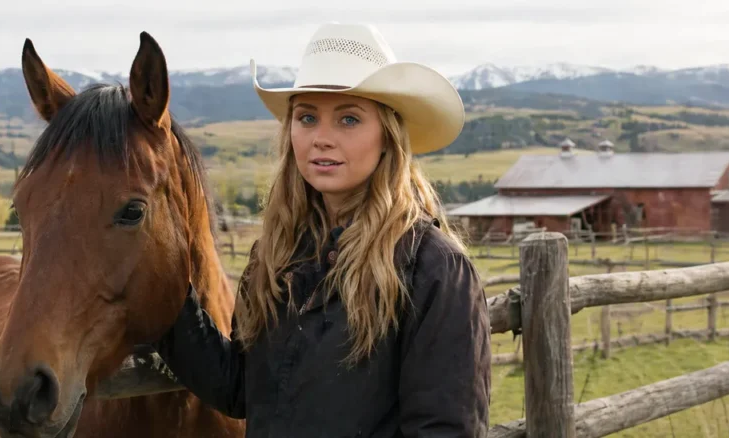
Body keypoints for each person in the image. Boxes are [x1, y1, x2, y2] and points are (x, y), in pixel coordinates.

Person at [154, 22, 491, 437]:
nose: (322, 139)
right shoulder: (275, 256)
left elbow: (445, 430)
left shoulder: (432, 268)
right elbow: (241, 390)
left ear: (387, 136)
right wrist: (166, 287)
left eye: (349, 120)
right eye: (307, 117)